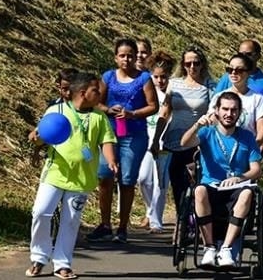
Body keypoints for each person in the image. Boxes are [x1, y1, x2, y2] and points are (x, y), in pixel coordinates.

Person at [26, 72, 117, 279]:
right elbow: (40, 135)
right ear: (83, 93)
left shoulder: (99, 116)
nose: (101, 93)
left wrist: (111, 160)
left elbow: (107, 141)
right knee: (40, 212)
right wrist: (36, 138)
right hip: (54, 174)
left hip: (81, 179)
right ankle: (39, 257)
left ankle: (62, 263)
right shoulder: (55, 110)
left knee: (70, 221)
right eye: (96, 90)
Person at [87, 39, 158, 243]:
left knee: (127, 180)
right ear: (116, 57)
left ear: (136, 57)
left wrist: (132, 113)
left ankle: (123, 226)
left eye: (130, 55)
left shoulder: (144, 78)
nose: (126, 59)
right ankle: (105, 224)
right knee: (104, 176)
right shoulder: (108, 77)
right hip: (109, 134)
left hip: (134, 135)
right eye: (122, 55)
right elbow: (96, 101)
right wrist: (109, 110)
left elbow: (153, 106)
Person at [180, 92, 262, 268]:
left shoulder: (247, 137)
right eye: (225, 109)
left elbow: (256, 169)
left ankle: (226, 248)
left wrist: (239, 178)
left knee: (248, 193)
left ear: (239, 113)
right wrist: (196, 125)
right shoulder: (207, 133)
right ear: (217, 110)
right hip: (211, 186)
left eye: (234, 110)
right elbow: (184, 143)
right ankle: (209, 247)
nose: (229, 114)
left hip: (237, 188)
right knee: (199, 190)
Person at [149, 46, 214, 217]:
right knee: (177, 186)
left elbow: (213, 115)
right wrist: (156, 139)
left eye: (196, 63)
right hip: (172, 142)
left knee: (195, 185)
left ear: (202, 64)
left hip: (197, 143)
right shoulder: (174, 83)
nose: (192, 67)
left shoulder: (209, 86)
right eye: (188, 63)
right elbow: (165, 111)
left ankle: (196, 221)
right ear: (183, 65)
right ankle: (181, 222)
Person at [213, 40, 263, 149]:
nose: (244, 57)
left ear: (258, 56)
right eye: (241, 54)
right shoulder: (228, 77)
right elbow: (215, 106)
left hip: (249, 142)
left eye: (248, 54)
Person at [137, 51, 175, 233]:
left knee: (161, 182)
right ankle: (150, 210)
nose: (160, 81)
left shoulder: (174, 94)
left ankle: (156, 221)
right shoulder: (147, 94)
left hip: (165, 144)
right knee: (143, 179)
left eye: (164, 77)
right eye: (156, 77)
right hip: (146, 141)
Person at [209, 54, 263, 151]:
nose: (233, 73)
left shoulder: (257, 99)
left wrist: (252, 150)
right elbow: (211, 124)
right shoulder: (218, 97)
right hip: (219, 150)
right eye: (230, 69)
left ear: (248, 72)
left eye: (239, 70)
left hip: (245, 150)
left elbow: (262, 129)